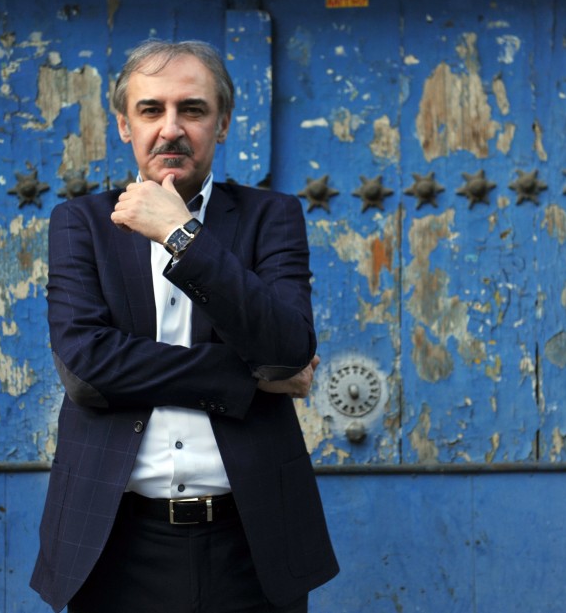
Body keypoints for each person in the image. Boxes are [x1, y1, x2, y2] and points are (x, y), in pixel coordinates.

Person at [30, 39, 339, 613]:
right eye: (151, 110)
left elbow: (286, 349)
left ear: (222, 124)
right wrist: (243, 377)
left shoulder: (272, 217)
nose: (170, 129)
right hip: (112, 541)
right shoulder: (81, 224)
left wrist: (182, 236)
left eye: (192, 109)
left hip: (253, 542)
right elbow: (87, 370)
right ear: (124, 124)